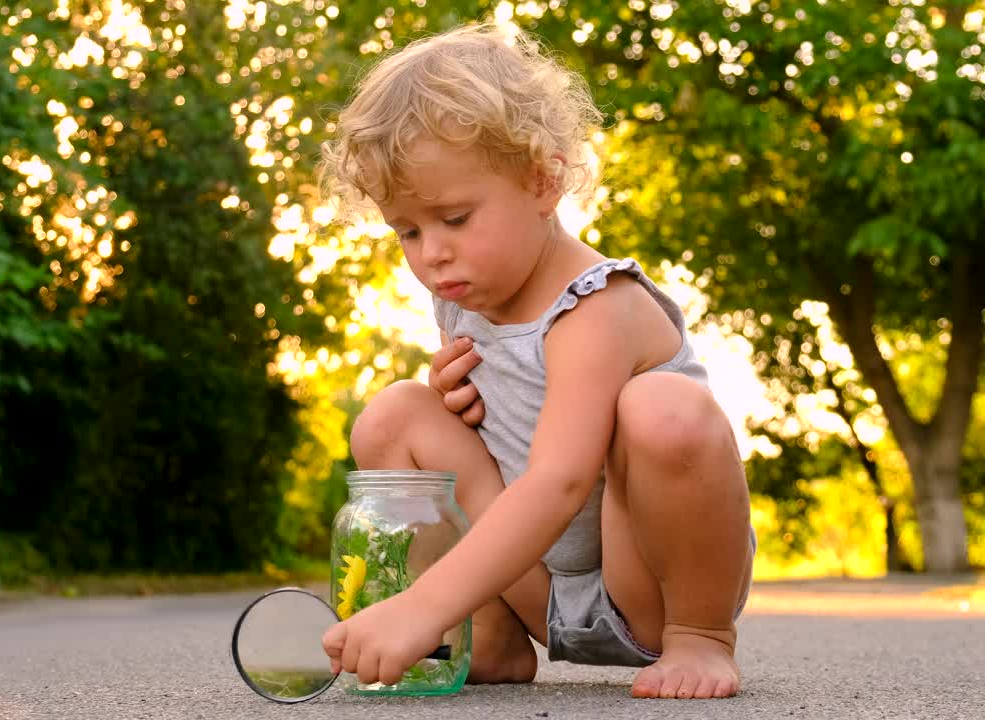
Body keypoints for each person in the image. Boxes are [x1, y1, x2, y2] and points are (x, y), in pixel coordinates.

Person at [317, 23, 754, 700]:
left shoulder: (597, 306)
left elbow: (559, 481)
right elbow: (503, 429)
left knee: (663, 410)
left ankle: (702, 637)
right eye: (408, 230)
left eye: (455, 218)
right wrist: (454, 398)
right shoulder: (467, 295)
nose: (431, 252)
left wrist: (419, 605)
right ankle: (487, 638)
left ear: (544, 181)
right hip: (535, 588)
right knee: (396, 416)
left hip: (641, 588)